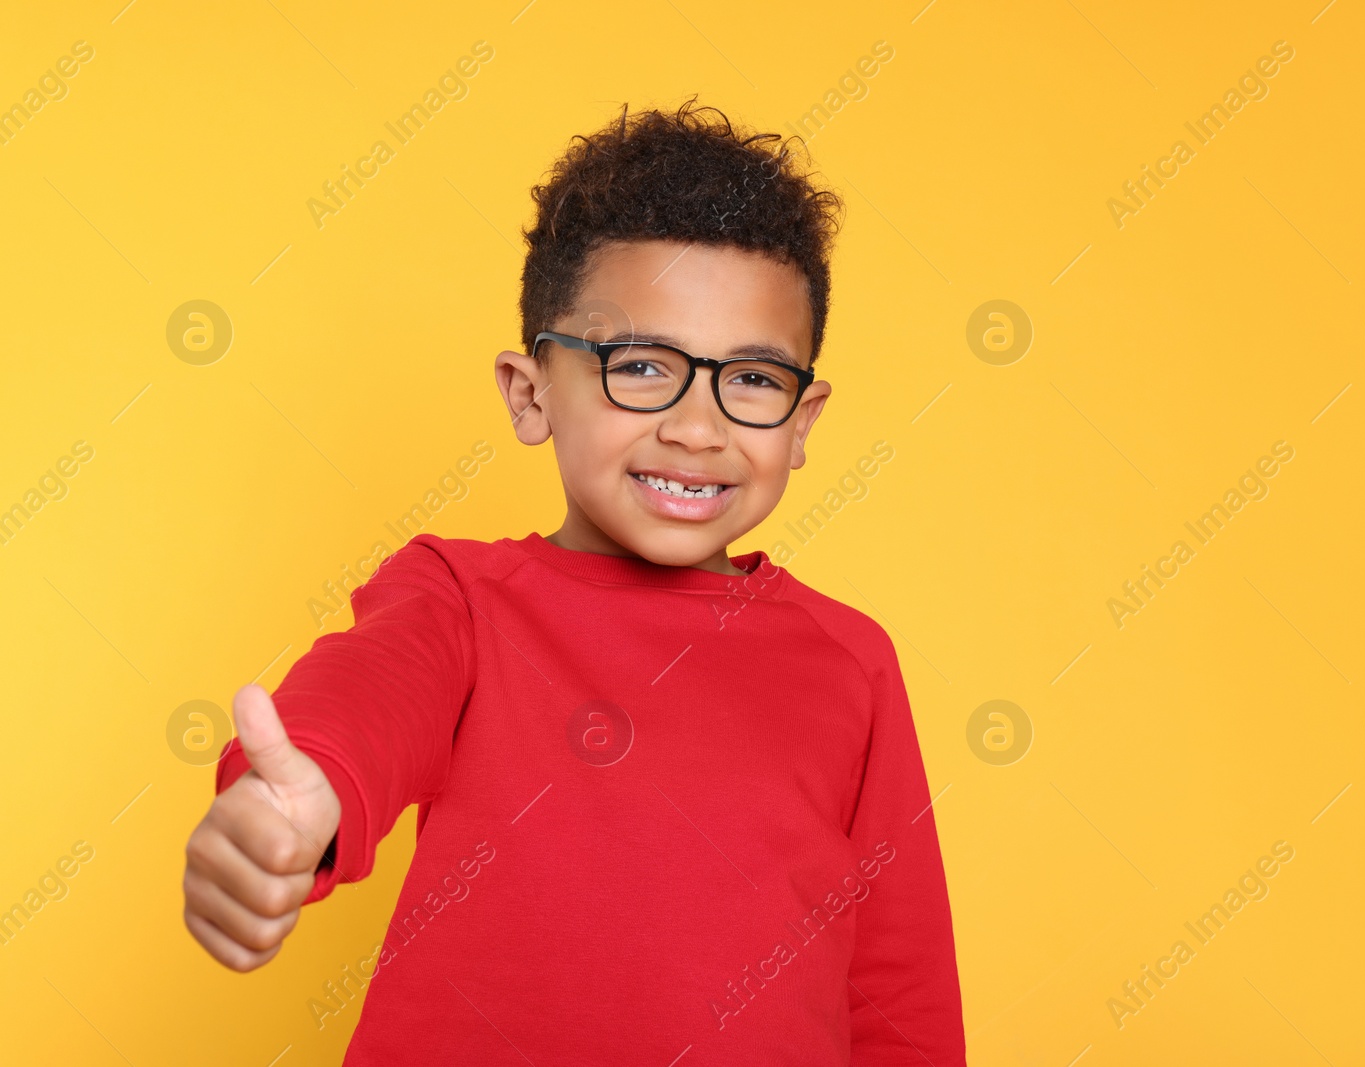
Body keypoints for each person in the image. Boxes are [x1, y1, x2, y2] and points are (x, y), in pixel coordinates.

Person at [181, 97, 965, 1065]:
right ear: (529, 390)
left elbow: (899, 994)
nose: (697, 426)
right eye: (640, 366)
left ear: (803, 420)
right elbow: (370, 696)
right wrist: (287, 799)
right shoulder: (462, 599)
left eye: (753, 380)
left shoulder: (853, 663)